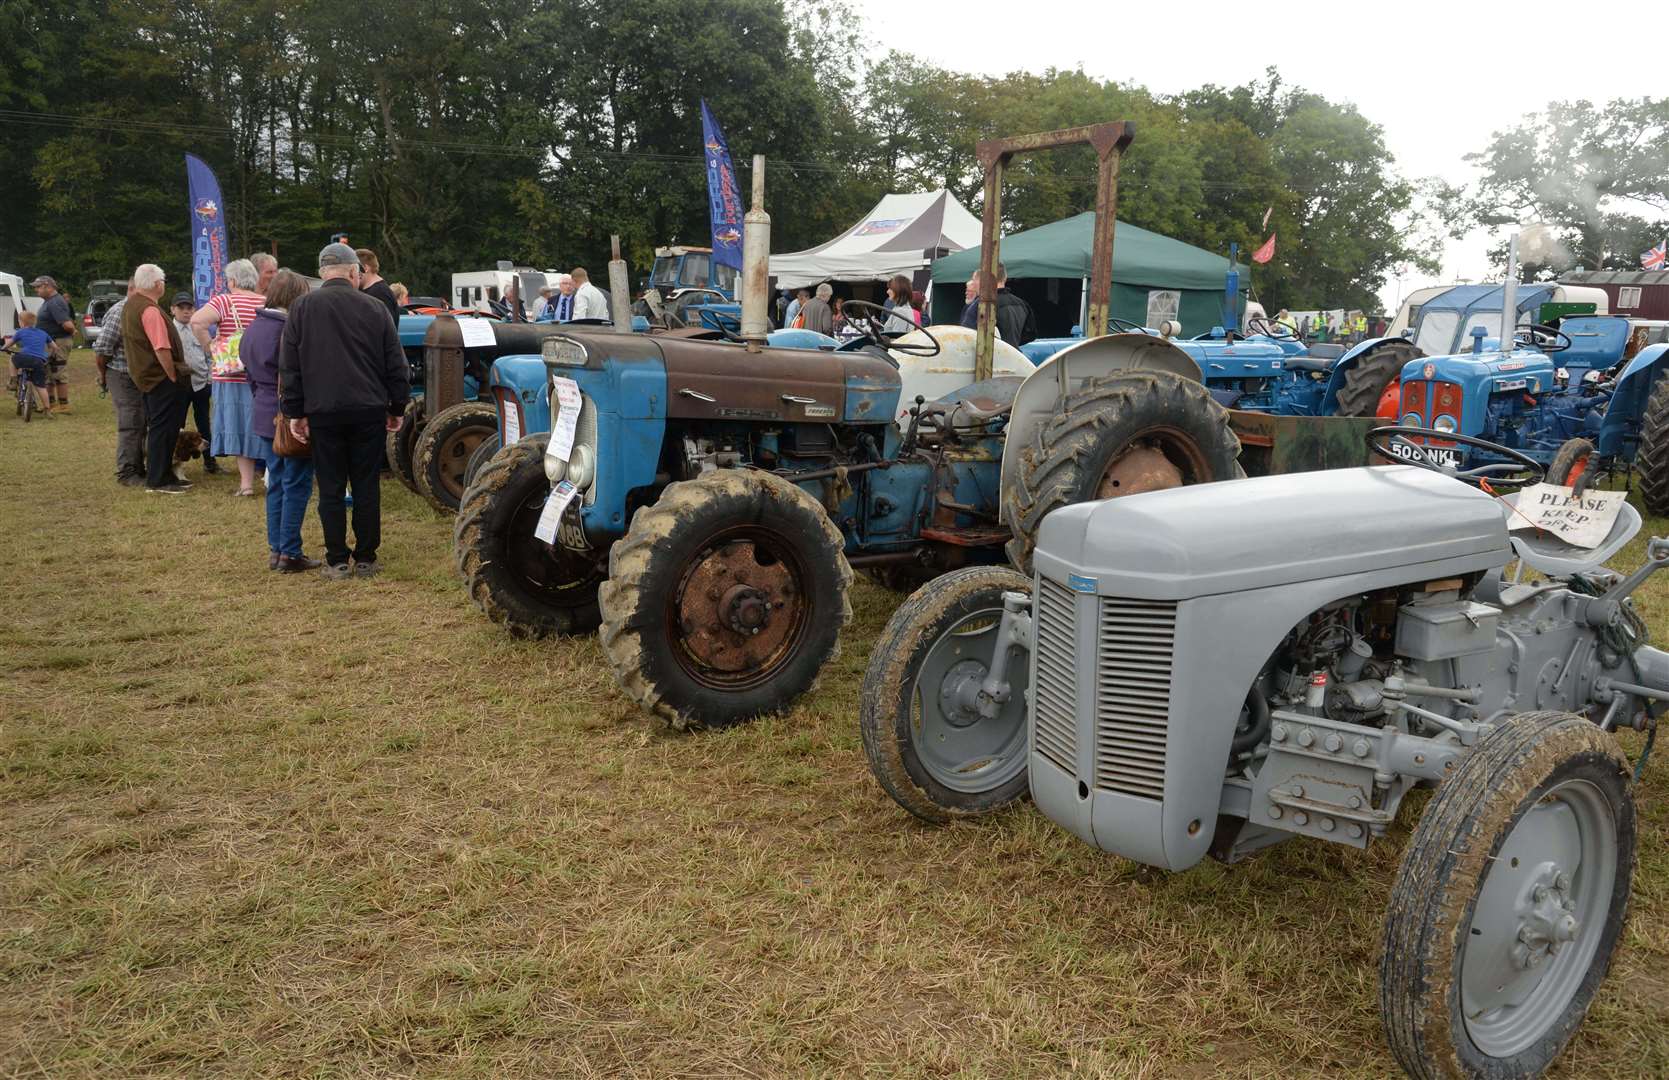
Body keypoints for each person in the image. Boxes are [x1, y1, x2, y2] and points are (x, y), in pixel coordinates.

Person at [279, 242, 411, 579]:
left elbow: (290, 367)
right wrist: (397, 406)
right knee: (366, 484)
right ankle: (366, 557)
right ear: (355, 272)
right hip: (368, 410)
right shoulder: (375, 308)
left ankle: (337, 558)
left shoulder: (301, 308)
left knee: (331, 485)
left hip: (323, 412)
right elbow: (396, 363)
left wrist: (296, 412)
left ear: (323, 274)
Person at [242, 269, 320, 573]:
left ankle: (277, 550)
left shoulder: (253, 327)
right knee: (296, 483)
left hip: (262, 412)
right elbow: (298, 377)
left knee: (276, 483)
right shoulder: (288, 330)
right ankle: (290, 552)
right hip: (288, 415)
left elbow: (248, 372)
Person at [190, 259, 267, 495]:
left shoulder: (224, 300)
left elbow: (196, 321)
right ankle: (270, 478)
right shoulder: (265, 302)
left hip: (230, 374)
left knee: (239, 428)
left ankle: (246, 485)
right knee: (263, 428)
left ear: (231, 281)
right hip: (260, 375)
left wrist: (209, 346)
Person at [122, 263, 192, 494]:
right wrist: (172, 374)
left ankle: (162, 474)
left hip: (146, 377)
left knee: (161, 428)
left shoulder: (131, 305)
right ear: (156, 284)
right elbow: (161, 347)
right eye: (162, 281)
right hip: (159, 378)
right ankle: (158, 479)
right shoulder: (149, 310)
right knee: (163, 429)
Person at [94, 281, 147, 485]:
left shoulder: (138, 309)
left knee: (141, 421)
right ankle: (127, 472)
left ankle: (138, 468)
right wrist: (104, 374)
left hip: (136, 376)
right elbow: (102, 348)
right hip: (121, 373)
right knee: (130, 422)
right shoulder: (120, 312)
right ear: (134, 288)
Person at [170, 292, 218, 474]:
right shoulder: (169, 329)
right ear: (172, 309)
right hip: (179, 386)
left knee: (204, 423)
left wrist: (209, 378)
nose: (185, 312)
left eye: (189, 308)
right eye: (180, 308)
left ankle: (210, 461)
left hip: (200, 384)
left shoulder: (199, 328)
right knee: (177, 425)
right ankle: (174, 462)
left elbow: (208, 353)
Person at [30, 275, 78, 412]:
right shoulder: (50, 301)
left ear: (47, 286)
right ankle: (51, 404)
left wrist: (73, 330)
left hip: (58, 342)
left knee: (58, 372)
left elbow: (67, 324)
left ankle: (63, 405)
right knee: (48, 372)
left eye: (38, 287)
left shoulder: (55, 302)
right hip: (52, 341)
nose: (36, 290)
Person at [957, 264, 1036, 347]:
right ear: (1004, 278)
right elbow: (1030, 334)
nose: (974, 283)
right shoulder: (1022, 304)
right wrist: (1010, 344)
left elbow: (965, 336)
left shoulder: (980, 304)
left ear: (985, 279)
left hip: (986, 358)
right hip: (1013, 356)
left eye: (974, 280)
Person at [3, 311, 54, 416]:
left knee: (13, 358)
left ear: (22, 323)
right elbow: (54, 347)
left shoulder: (21, 332)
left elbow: (9, 344)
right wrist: (48, 356)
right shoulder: (43, 333)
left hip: (25, 357)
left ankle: (13, 381)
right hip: (39, 361)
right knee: (41, 386)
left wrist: (3, 348)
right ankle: (47, 410)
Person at [356, 248, 400, 324]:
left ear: (365, 268)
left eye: (354, 268)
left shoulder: (380, 293)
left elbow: (384, 327)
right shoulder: (370, 290)